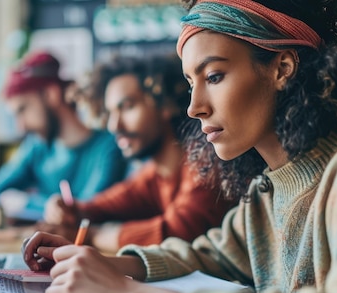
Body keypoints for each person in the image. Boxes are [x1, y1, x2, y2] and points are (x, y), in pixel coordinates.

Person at [22, 0, 337, 293]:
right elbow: (211, 253)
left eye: (214, 75)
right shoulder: (266, 193)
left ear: (282, 68)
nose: (194, 107)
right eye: (192, 82)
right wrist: (114, 266)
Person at [40, 55, 236, 253]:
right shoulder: (154, 173)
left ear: (165, 105)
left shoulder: (206, 160)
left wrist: (90, 235)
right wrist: (71, 211)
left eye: (127, 107)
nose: (114, 125)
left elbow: (179, 231)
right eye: (110, 113)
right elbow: (110, 203)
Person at [0, 51, 128, 222]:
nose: (21, 126)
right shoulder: (37, 147)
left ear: (51, 94)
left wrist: (23, 203)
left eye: (23, 109)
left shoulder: (109, 147)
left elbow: (83, 212)